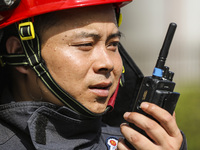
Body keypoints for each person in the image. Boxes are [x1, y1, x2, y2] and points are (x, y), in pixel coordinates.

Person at [0, 0, 187, 149]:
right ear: (19, 52)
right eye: (85, 44)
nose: (107, 63)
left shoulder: (149, 144)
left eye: (112, 44)